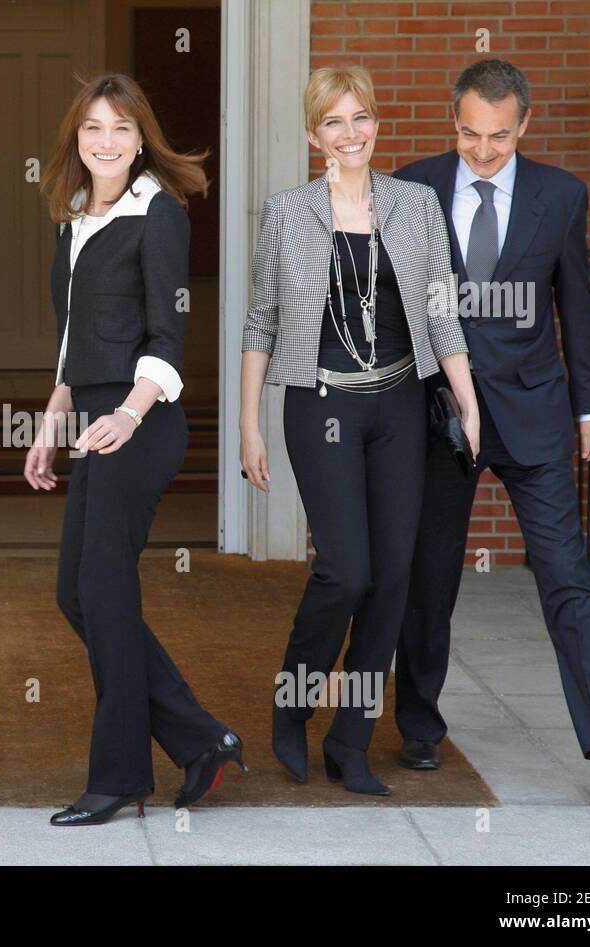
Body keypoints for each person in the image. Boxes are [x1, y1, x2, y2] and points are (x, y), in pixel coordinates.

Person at [391, 59, 590, 795]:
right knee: (430, 574)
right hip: (441, 413)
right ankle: (418, 727)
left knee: (567, 576)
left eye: (497, 138)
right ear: (455, 119)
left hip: (535, 414)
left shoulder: (561, 196)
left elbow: (577, 306)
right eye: (469, 133)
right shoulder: (412, 187)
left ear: (523, 126)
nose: (481, 149)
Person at [240, 65, 479, 796]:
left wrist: (468, 403)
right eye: (335, 122)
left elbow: (441, 310)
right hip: (323, 406)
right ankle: (295, 699)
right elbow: (262, 320)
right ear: (315, 134)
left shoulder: (416, 205)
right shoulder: (288, 212)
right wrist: (248, 423)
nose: (351, 133)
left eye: (362, 118)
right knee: (346, 569)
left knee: (394, 577)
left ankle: (351, 741)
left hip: (401, 404)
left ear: (377, 123)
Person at [26, 73, 245, 827]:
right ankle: (202, 739)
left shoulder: (159, 212)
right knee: (78, 595)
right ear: (75, 139)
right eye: (93, 128)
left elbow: (167, 337)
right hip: (93, 418)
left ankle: (119, 776)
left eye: (122, 128)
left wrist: (125, 412)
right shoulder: (75, 215)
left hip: (140, 423)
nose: (107, 142)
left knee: (106, 595)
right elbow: (73, 334)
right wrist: (55, 417)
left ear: (141, 136)